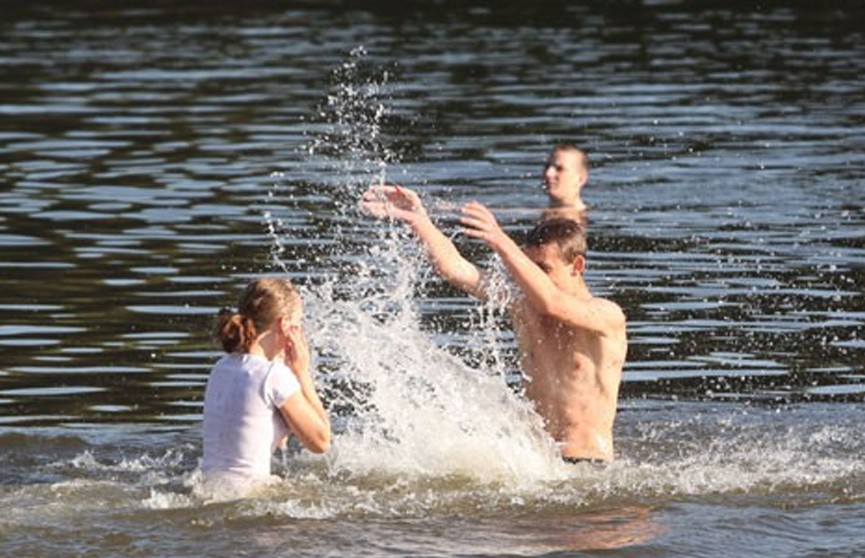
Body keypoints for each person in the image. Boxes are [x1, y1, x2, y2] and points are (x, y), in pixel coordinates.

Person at [361, 185, 626, 462]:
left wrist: (499, 240)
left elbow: (553, 303)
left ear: (577, 265)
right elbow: (457, 269)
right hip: (536, 467)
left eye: (544, 269)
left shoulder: (606, 316)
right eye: (529, 267)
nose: (533, 279)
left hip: (588, 466)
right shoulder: (523, 305)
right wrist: (419, 221)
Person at [201, 277, 331, 493]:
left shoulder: (222, 368)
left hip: (208, 488)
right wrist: (302, 372)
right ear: (284, 325)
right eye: (298, 324)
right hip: (249, 496)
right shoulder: (274, 376)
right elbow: (321, 441)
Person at [540, 143, 590, 227]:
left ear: (581, 179)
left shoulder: (578, 222)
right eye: (547, 166)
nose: (548, 173)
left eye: (559, 169)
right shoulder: (541, 213)